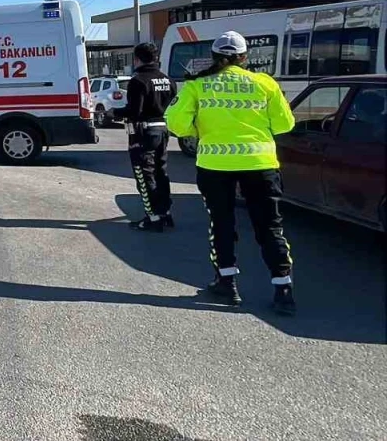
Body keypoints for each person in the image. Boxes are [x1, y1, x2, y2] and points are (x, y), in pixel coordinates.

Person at [166, 31, 297, 315]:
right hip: (260, 164)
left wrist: (198, 130)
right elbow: (285, 124)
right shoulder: (265, 83)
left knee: (222, 223)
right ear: (244, 57)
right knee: (269, 226)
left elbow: (176, 123)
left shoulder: (197, 85)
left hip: (215, 165)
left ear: (213, 57)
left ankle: (227, 282)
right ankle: (283, 289)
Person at [115, 42, 176, 231]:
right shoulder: (168, 80)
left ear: (137, 59)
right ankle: (165, 212)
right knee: (161, 172)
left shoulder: (138, 81)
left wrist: (114, 113)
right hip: (162, 129)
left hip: (143, 133)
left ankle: (153, 217)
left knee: (144, 175)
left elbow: (135, 111)